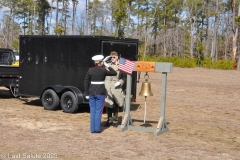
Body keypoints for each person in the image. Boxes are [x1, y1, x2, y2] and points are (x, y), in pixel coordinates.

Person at [84, 55, 117, 133]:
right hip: (100, 92)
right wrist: (107, 65)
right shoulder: (103, 70)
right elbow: (114, 72)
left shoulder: (90, 70)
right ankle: (97, 129)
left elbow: (86, 82)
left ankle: (92, 129)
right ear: (101, 62)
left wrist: (86, 93)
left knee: (92, 111)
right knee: (98, 111)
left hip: (92, 92)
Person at [104, 51, 127, 127]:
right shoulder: (107, 65)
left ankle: (115, 120)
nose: (112, 58)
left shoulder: (121, 65)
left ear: (117, 57)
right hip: (108, 86)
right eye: (111, 57)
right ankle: (109, 119)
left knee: (116, 103)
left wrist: (120, 83)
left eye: (114, 57)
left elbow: (124, 77)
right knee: (108, 103)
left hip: (116, 86)